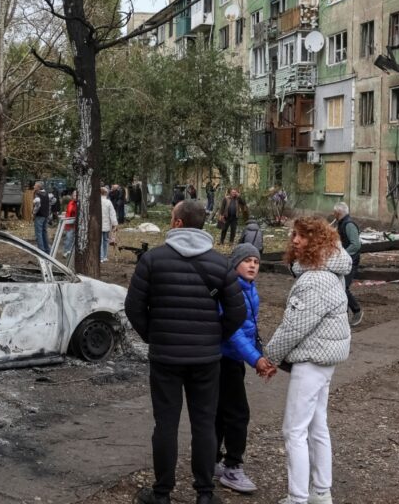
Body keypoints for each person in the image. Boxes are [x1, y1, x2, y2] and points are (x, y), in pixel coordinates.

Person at [126, 200, 245, 504]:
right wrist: (214, 337)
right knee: (204, 424)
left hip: (165, 357)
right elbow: (237, 312)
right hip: (206, 359)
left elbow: (134, 308)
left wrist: (154, 336)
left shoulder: (153, 261)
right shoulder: (220, 264)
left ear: (178, 223)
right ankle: (205, 495)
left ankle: (162, 493)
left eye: (171, 215)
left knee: (165, 424)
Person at [263, 216, 353, 504]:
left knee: (294, 430)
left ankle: (298, 497)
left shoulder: (315, 279)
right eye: (294, 235)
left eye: (302, 236)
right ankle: (321, 492)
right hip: (324, 360)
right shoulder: (329, 270)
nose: (295, 240)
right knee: (317, 425)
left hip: (312, 360)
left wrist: (269, 357)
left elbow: (294, 327)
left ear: (317, 242)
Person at [214, 243, 269, 495]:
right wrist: (255, 359)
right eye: (247, 260)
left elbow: (249, 328)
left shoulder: (249, 288)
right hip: (225, 358)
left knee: (222, 412)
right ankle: (232, 467)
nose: (252, 265)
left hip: (234, 359)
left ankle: (212, 460)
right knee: (237, 414)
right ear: (235, 263)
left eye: (256, 262)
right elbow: (233, 332)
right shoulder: (232, 290)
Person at [332, 202, 364, 327]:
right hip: (344, 261)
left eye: (334, 212)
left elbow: (356, 245)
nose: (333, 214)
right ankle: (343, 316)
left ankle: (357, 311)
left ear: (338, 213)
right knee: (339, 287)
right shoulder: (341, 223)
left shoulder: (349, 224)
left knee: (343, 288)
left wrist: (343, 254)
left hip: (351, 261)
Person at [32, 182, 52, 254]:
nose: (33, 186)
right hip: (45, 216)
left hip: (39, 216)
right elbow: (51, 203)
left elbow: (37, 205)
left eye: (35, 185)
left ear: (38, 187)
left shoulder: (37, 195)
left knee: (39, 233)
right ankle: (47, 250)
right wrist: (49, 214)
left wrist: (34, 214)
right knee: (44, 232)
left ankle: (41, 252)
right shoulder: (47, 194)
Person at [100, 186, 118, 262]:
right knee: (105, 240)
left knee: (100, 241)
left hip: (98, 225)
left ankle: (101, 257)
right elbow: (112, 214)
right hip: (106, 225)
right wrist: (115, 224)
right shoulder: (108, 202)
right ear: (106, 193)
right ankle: (104, 256)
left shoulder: (96, 202)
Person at [63, 191, 79, 257]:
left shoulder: (81, 204)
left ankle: (75, 253)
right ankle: (66, 251)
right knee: (68, 237)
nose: (75, 196)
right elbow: (68, 212)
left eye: (76, 195)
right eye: (74, 195)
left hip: (78, 225)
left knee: (77, 239)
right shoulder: (70, 203)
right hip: (70, 224)